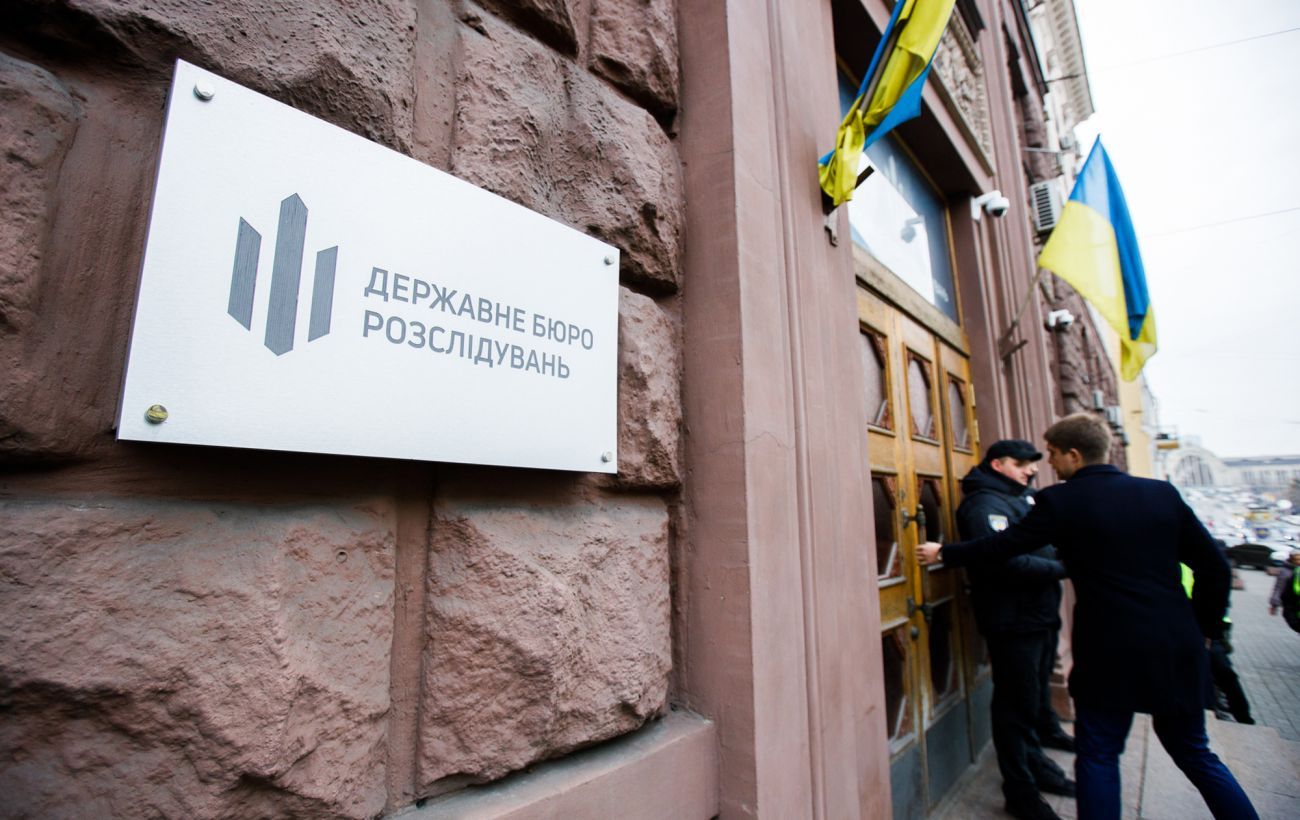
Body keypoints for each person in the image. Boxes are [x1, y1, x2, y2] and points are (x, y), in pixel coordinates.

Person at [917, 413, 1257, 820]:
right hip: (1175, 641)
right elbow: (1215, 568)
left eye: (1054, 454)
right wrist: (1206, 629)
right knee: (1195, 752)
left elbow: (1002, 546)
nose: (1048, 464)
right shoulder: (1161, 494)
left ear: (1074, 455)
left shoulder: (1062, 501)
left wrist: (945, 552)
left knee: (1099, 754)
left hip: (1108, 647)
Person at [956, 439, 1075, 820]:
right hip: (1013, 620)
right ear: (998, 464)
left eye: (1033, 464)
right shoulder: (984, 505)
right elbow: (1002, 562)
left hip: (1038, 615)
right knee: (1015, 706)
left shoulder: (1022, 498)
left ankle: (1037, 768)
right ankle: (1020, 792)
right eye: (1022, 464)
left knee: (1033, 698)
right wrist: (1062, 569)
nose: (1031, 470)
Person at [1268, 549, 1300, 633]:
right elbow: (1279, 587)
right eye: (1296, 558)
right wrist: (1274, 604)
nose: (1298, 561)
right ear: (1291, 559)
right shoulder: (1285, 571)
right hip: (1291, 603)